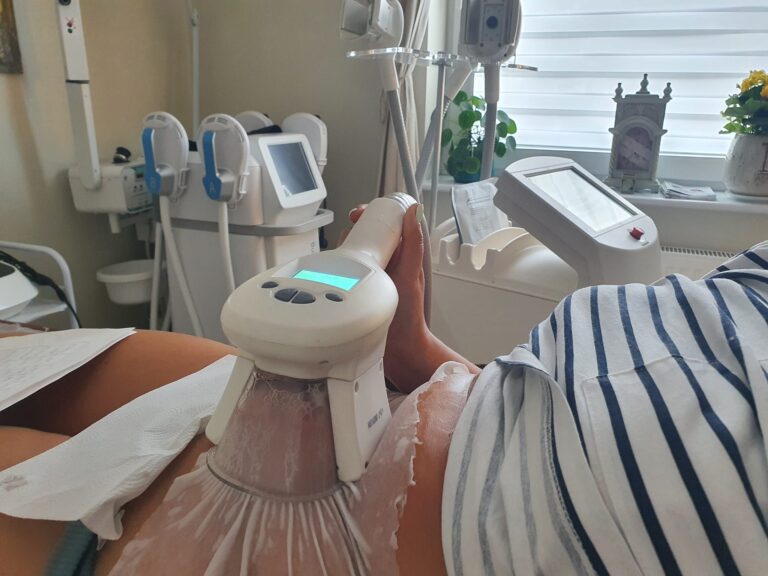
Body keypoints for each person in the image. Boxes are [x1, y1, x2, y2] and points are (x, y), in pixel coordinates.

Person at [0, 203, 766, 575]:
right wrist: (420, 354)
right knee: (27, 360)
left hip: (312, 545)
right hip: (345, 383)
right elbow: (581, 415)